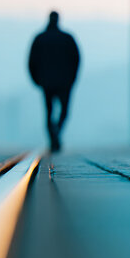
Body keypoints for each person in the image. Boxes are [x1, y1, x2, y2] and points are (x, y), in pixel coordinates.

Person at [28, 11, 80, 152]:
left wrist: (36, 80)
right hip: (65, 83)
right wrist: (72, 79)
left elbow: (31, 62)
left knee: (48, 111)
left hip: (47, 83)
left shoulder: (39, 38)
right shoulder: (68, 38)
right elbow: (76, 60)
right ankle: (57, 132)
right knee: (64, 112)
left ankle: (53, 137)